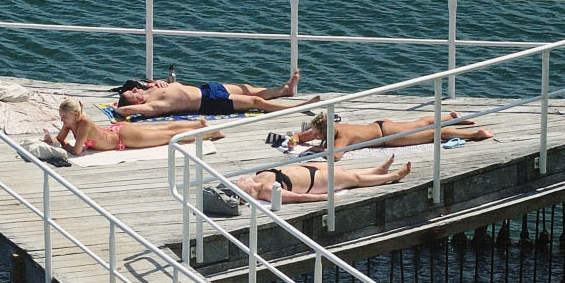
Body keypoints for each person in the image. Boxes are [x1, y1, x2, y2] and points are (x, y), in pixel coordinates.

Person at [114, 68, 318, 118]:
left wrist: (164, 82)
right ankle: (295, 108)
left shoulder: (151, 88)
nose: (135, 90)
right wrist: (119, 108)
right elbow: (126, 112)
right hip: (209, 102)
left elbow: (178, 87)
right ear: (136, 104)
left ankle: (285, 90)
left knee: (248, 88)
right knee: (255, 101)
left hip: (207, 88)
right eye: (133, 94)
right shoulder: (151, 107)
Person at [45, 98, 227, 155]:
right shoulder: (71, 123)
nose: (62, 120)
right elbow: (60, 139)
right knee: (163, 130)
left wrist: (63, 146)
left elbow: (76, 151)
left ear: (76, 114)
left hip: (123, 138)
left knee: (167, 135)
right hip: (118, 132)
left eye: (65, 117)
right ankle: (198, 124)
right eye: (61, 117)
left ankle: (209, 133)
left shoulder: (83, 122)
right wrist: (52, 140)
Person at [235, 154, 412, 204]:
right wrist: (324, 198)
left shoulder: (257, 177)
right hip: (316, 183)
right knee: (355, 179)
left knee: (344, 171)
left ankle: (377, 170)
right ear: (249, 186)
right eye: (242, 182)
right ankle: (393, 176)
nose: (242, 179)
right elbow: (299, 198)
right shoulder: (267, 192)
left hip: (308, 169)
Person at [294, 110, 493, 152]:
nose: (315, 136)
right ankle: (451, 117)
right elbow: (309, 134)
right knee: (419, 122)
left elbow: (335, 155)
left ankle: (476, 134)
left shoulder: (342, 136)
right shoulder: (335, 128)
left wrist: (314, 150)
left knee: (434, 133)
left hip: (388, 137)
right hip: (381, 125)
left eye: (317, 134)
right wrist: (296, 138)